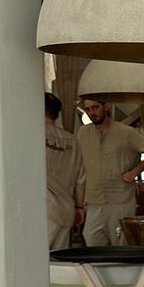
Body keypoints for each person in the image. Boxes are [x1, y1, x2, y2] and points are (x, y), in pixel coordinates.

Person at [77, 98, 144, 246]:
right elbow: (79, 166)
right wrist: (79, 202)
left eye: (95, 107)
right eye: (88, 109)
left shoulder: (126, 132)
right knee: (91, 241)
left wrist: (135, 171)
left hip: (120, 199)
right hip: (93, 200)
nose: (91, 113)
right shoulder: (83, 133)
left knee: (121, 245)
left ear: (107, 106)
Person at [44, 92, 85, 250]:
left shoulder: (32, 135)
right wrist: (79, 208)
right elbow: (81, 180)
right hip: (67, 210)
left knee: (36, 258)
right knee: (59, 259)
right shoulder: (73, 141)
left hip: (43, 209)